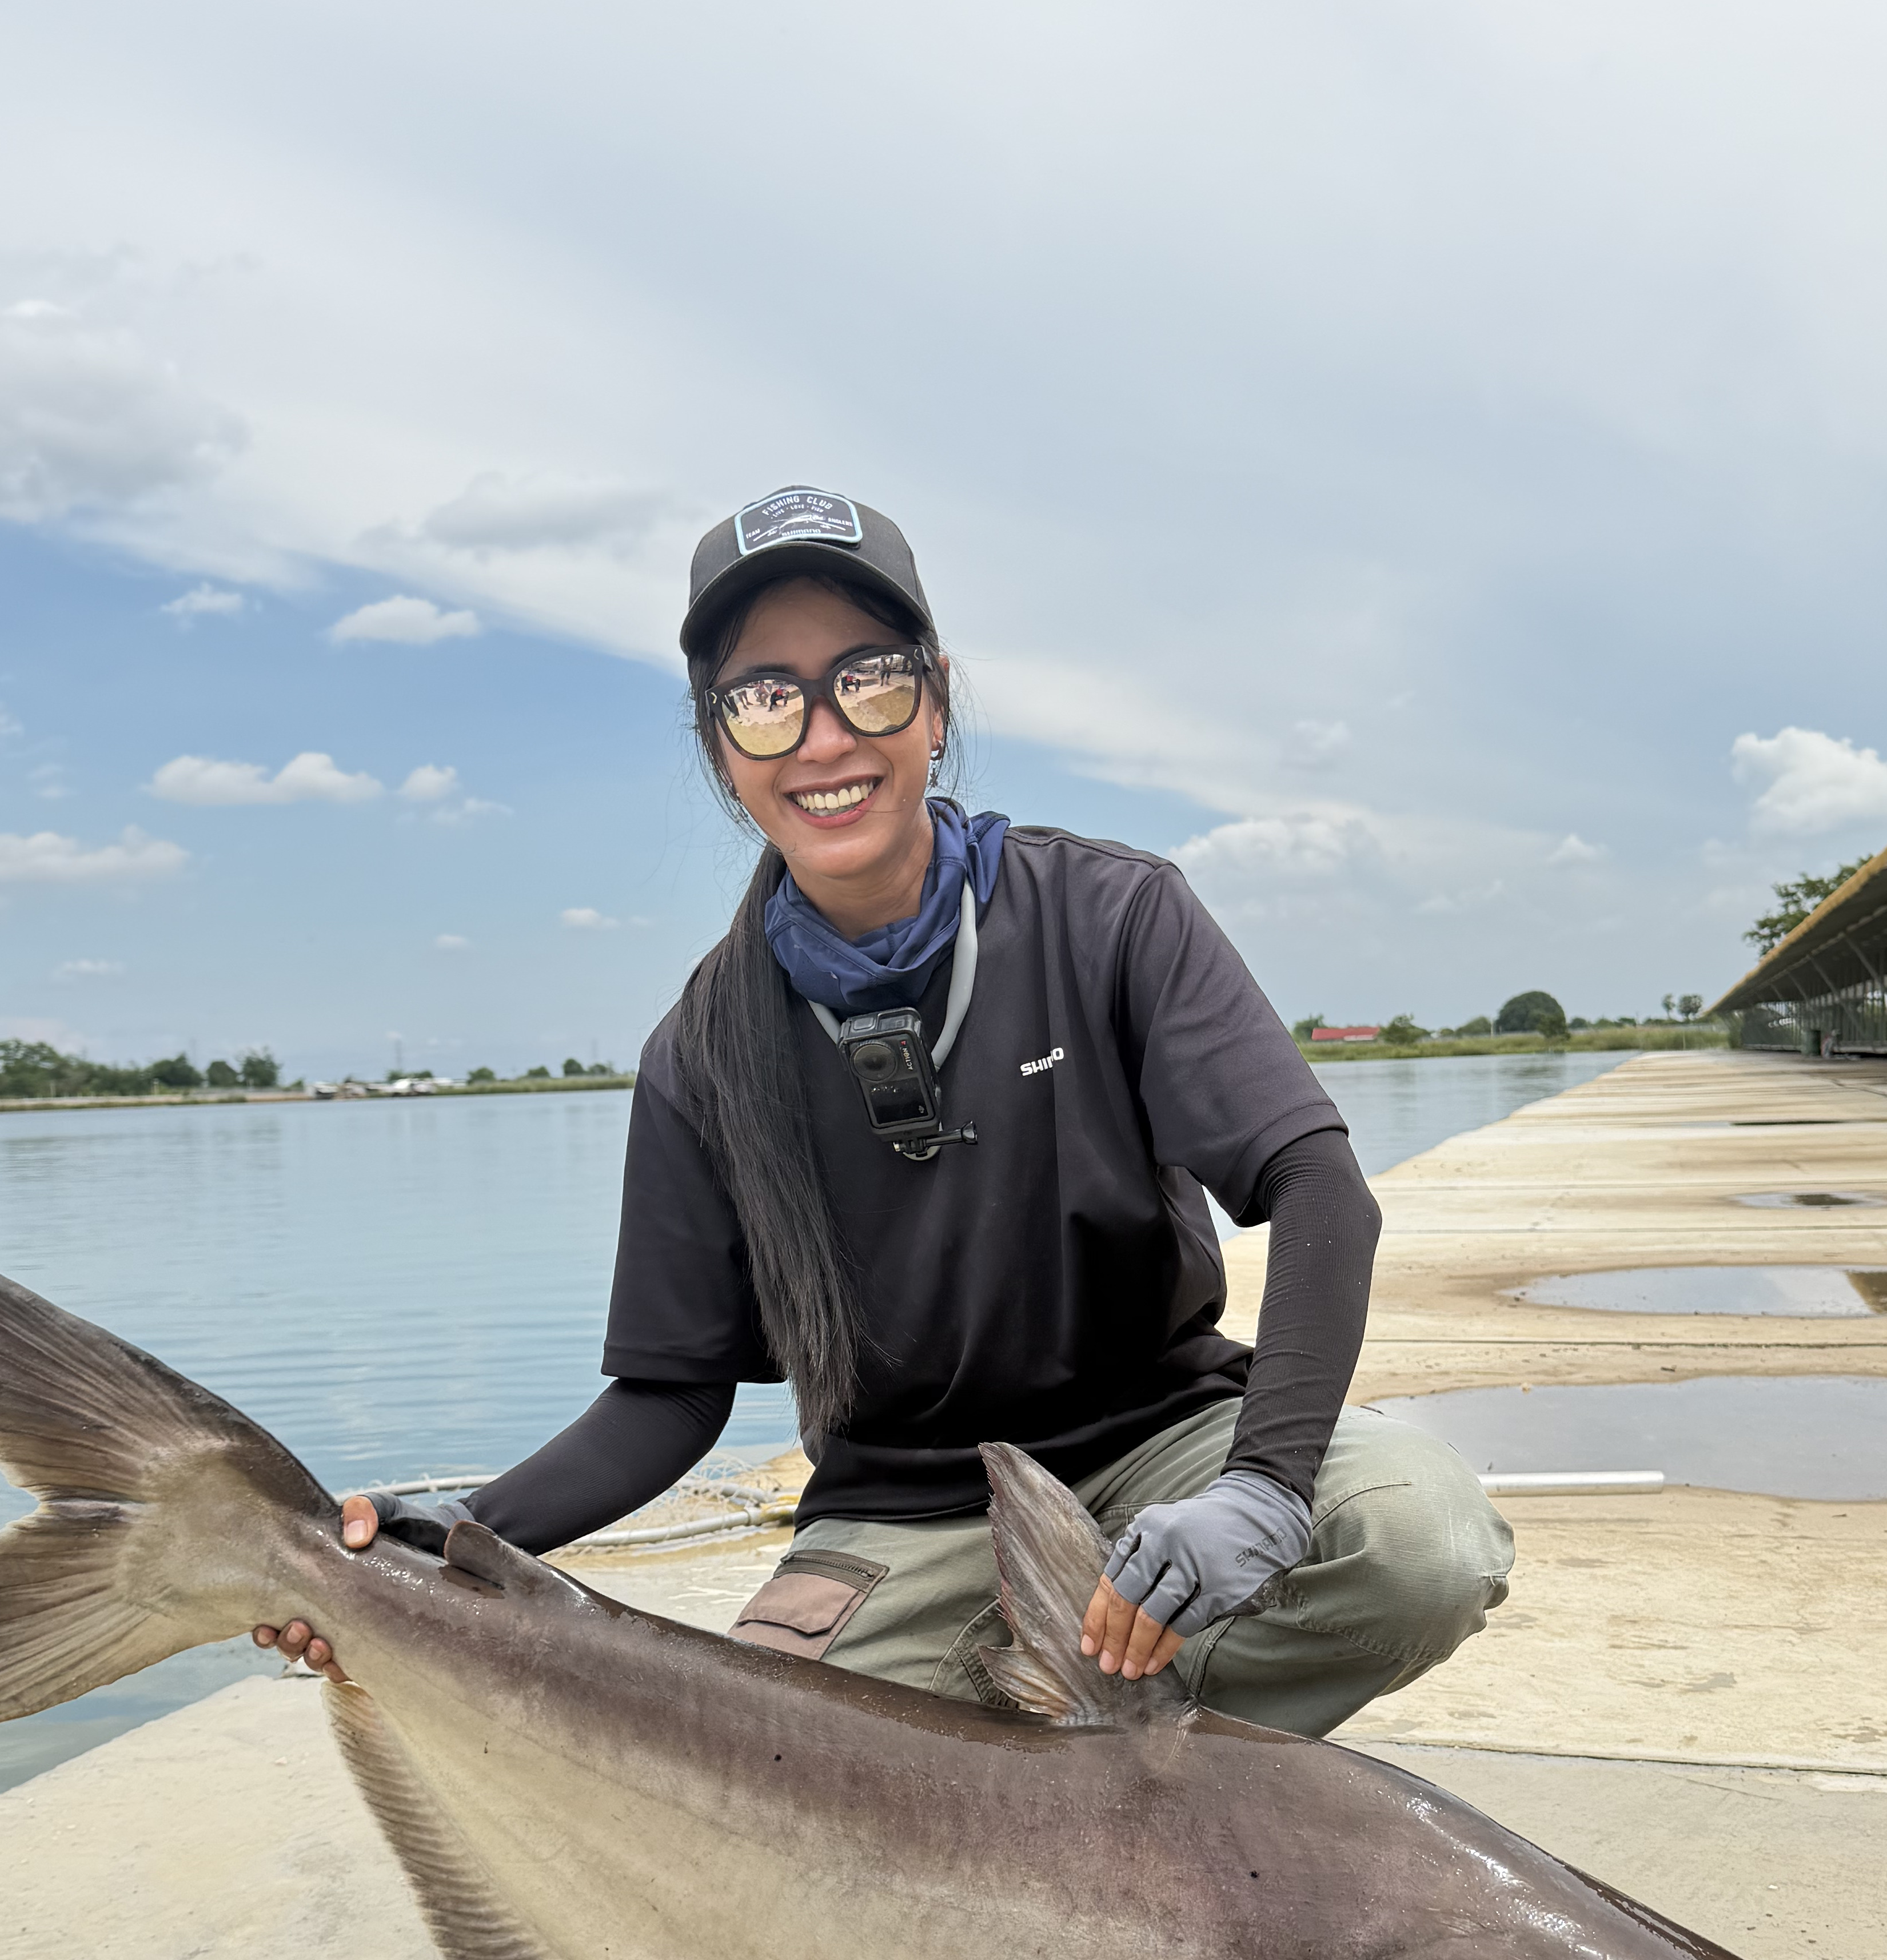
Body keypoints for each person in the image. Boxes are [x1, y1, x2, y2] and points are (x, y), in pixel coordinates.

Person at [258, 487, 1511, 1723]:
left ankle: (1130, 1806)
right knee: (761, 1783)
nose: (821, 737)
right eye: (765, 700)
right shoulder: (702, 1052)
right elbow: (672, 1395)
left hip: (1161, 1445)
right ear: (717, 745)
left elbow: (1318, 1186)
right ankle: (1054, 1779)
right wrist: (463, 1534)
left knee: (1421, 1545)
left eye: (867, 678)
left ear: (936, 701)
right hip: (898, 1518)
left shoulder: (1112, 916)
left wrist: (1268, 1488)